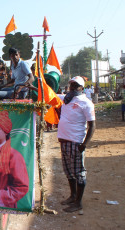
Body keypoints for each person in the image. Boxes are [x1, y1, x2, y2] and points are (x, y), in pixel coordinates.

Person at [57, 76, 96, 213]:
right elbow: (49, 94)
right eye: (71, 84)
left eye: (76, 85)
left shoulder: (86, 103)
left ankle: (78, 202)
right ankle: (72, 196)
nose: (72, 87)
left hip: (76, 143)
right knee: (69, 172)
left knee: (79, 173)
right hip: (64, 142)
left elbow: (92, 125)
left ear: (82, 88)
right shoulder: (66, 99)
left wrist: (84, 144)